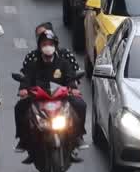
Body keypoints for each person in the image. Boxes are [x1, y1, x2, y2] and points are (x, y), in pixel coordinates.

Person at [14, 29, 86, 162]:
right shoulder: (33, 63)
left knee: (81, 105)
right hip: (38, 98)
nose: (47, 47)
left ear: (55, 46)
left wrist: (73, 88)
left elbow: (70, 78)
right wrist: (23, 89)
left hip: (61, 98)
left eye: (50, 43)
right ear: (40, 47)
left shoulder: (63, 63)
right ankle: (23, 140)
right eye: (44, 44)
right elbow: (26, 78)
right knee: (19, 107)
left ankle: (78, 137)